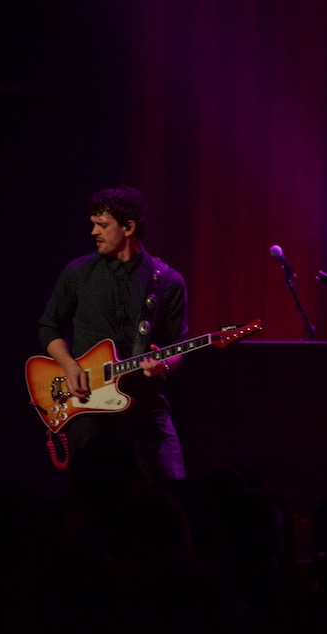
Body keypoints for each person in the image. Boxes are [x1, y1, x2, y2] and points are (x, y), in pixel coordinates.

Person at [38, 186, 188, 486]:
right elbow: (49, 327)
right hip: (88, 406)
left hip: (145, 405)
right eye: (93, 223)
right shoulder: (78, 272)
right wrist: (69, 366)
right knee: (90, 496)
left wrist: (165, 365)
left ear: (128, 227)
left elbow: (177, 346)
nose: (94, 232)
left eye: (102, 225)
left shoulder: (168, 281)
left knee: (171, 490)